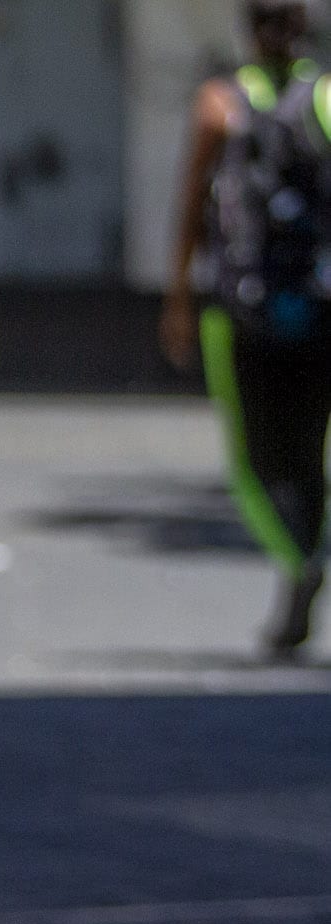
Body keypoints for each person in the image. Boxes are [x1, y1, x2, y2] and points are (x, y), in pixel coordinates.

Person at [164, 2, 331, 658]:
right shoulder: (323, 99)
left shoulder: (219, 103)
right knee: (308, 450)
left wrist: (177, 297)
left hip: (241, 307)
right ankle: (304, 559)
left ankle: (295, 559)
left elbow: (187, 206)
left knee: (256, 458)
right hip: (319, 308)